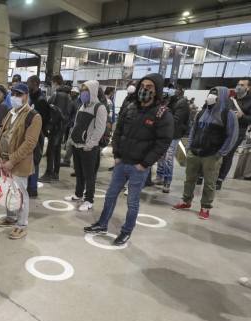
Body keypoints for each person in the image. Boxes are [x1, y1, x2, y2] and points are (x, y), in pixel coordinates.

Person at [84, 73, 173, 246]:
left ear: (157, 91)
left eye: (149, 87)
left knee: (132, 202)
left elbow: (162, 143)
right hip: (121, 162)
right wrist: (116, 155)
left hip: (139, 166)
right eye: (143, 86)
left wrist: (144, 164)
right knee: (110, 196)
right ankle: (102, 224)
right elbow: (118, 132)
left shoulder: (162, 114)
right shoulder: (131, 107)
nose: (144, 90)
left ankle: (126, 231)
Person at [172, 87, 238, 219]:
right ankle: (186, 201)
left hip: (212, 155)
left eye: (215, 94)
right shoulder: (202, 113)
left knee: (209, 183)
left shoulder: (228, 114)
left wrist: (220, 153)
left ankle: (205, 206)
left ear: (222, 96)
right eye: (211, 93)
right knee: (189, 180)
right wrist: (188, 147)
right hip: (194, 152)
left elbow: (232, 136)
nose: (212, 96)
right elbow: (193, 131)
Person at [0, 82, 42, 239]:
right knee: (8, 191)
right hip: (5, 160)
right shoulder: (11, 112)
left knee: (20, 194)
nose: (15, 97)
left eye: (19, 95)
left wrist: (12, 160)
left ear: (26, 97)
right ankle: (11, 218)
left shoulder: (33, 116)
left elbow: (29, 144)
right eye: (13, 94)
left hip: (19, 163)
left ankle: (22, 225)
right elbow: (1, 133)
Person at [64, 80, 107, 212]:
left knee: (89, 175)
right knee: (79, 172)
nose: (83, 93)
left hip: (88, 148)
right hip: (77, 145)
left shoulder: (99, 107)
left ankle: (89, 200)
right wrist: (71, 140)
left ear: (93, 91)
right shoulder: (82, 106)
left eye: (86, 90)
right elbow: (76, 124)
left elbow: (100, 129)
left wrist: (89, 144)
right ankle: (78, 194)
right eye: (82, 90)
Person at [220, 77, 251, 186]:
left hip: (239, 131)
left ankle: (220, 180)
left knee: (228, 154)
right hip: (225, 130)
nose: (239, 86)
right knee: (218, 153)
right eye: (238, 84)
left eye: (242, 85)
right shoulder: (230, 99)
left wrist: (241, 116)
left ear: (248, 87)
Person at [153, 83, 191, 193]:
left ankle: (167, 181)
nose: (170, 90)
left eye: (173, 88)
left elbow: (176, 119)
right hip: (163, 133)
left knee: (169, 158)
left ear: (179, 90)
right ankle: (160, 176)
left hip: (174, 134)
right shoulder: (168, 100)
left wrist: (162, 117)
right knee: (160, 155)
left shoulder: (182, 103)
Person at [39, 75, 71, 183]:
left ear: (55, 83)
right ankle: (55, 172)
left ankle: (49, 173)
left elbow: (58, 112)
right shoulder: (65, 94)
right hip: (62, 125)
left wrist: (51, 124)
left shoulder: (61, 95)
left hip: (58, 126)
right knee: (56, 149)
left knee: (51, 149)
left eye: (53, 83)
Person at [26, 75, 50, 198]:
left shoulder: (41, 100)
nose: (27, 84)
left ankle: (33, 188)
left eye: (28, 82)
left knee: (34, 160)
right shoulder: (31, 97)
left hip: (37, 135)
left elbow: (43, 120)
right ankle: (29, 186)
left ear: (34, 83)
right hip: (29, 134)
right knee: (28, 160)